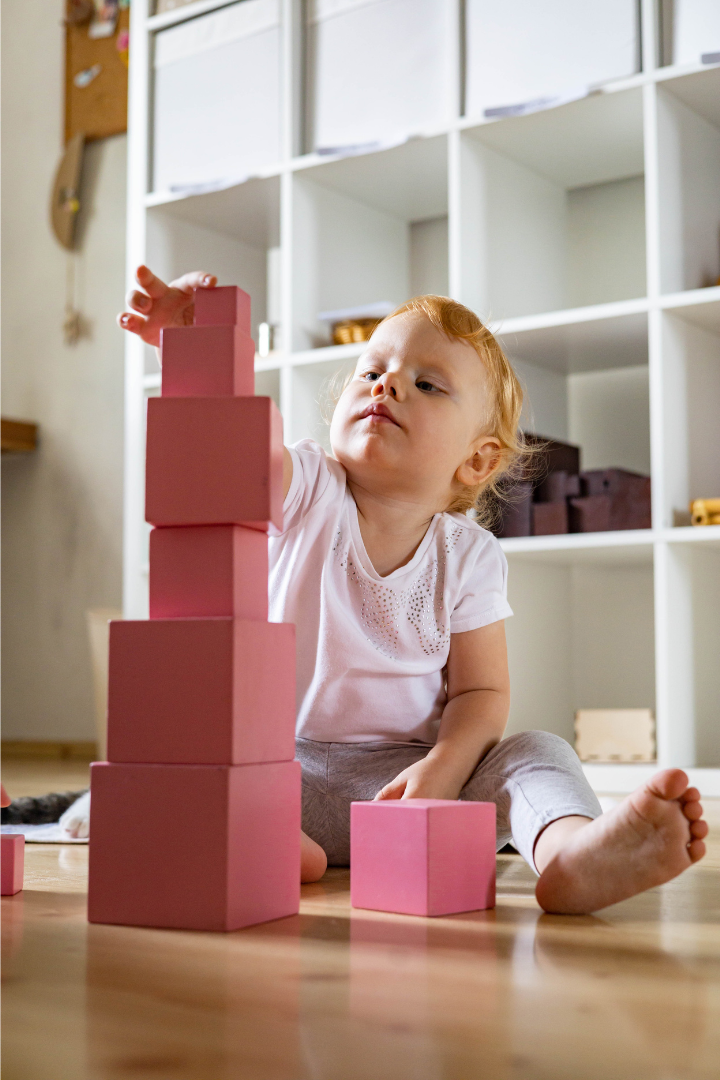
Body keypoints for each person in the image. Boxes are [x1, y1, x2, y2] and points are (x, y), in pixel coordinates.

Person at [116, 265, 708, 914]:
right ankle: (272, 843)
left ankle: (571, 852)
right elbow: (236, 442)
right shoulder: (309, 487)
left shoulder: (471, 556)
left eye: (426, 384)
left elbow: (482, 692)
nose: (389, 383)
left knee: (537, 753)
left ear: (478, 459)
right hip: (284, 770)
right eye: (371, 373)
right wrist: (201, 342)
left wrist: (447, 768)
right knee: (193, 754)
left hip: (408, 785)